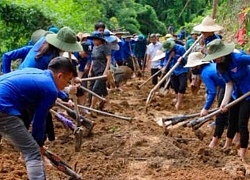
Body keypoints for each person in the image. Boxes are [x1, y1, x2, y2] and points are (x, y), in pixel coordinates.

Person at [0, 56, 78, 179]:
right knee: (32, 152)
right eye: (68, 81)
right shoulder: (49, 89)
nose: (66, 85)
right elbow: (39, 121)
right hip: (3, 108)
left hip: (4, 102)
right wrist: (39, 143)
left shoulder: (38, 74)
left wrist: (64, 96)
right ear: (60, 76)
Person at [202, 39, 250, 162]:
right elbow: (229, 84)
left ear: (223, 54)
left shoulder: (238, 58)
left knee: (242, 122)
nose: (214, 60)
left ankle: (242, 152)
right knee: (231, 118)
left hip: (248, 92)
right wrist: (224, 104)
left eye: (216, 57)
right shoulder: (220, 67)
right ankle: (227, 144)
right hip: (235, 92)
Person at [185, 52, 228, 148]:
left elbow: (212, 92)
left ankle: (214, 142)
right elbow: (211, 89)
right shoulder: (211, 66)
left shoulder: (205, 73)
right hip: (225, 86)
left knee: (221, 115)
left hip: (230, 88)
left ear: (199, 65)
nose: (192, 69)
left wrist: (206, 108)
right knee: (225, 113)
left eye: (193, 66)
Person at [161, 39, 188, 110]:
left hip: (182, 70)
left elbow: (186, 61)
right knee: (175, 86)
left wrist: (175, 57)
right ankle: (177, 98)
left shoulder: (181, 49)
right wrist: (164, 66)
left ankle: (179, 102)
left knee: (182, 86)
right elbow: (166, 60)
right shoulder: (167, 51)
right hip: (173, 70)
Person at [88, 32, 111, 111]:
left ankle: (92, 108)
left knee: (96, 89)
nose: (94, 41)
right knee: (100, 89)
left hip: (101, 71)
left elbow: (108, 59)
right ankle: (106, 104)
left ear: (100, 40)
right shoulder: (94, 48)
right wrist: (90, 71)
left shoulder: (105, 48)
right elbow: (93, 60)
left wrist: (106, 71)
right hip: (95, 70)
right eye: (93, 39)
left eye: (95, 39)